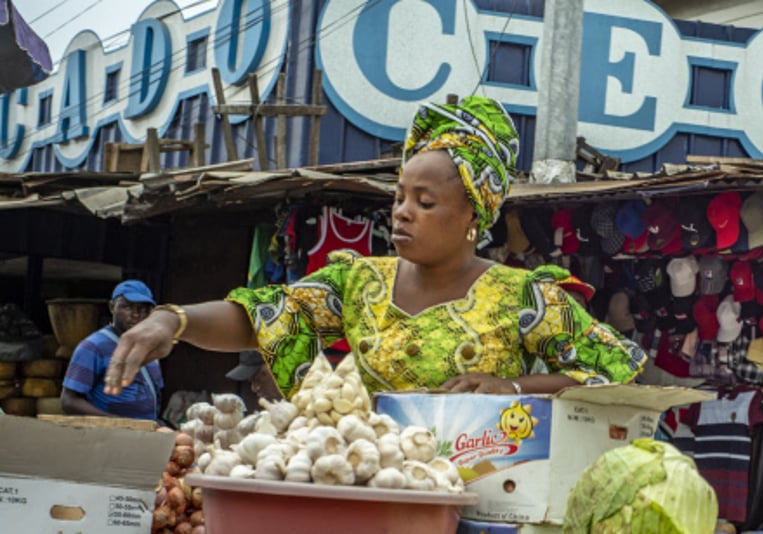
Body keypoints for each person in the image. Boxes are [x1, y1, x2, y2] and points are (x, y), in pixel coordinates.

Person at [102, 97, 644, 399]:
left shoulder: (522, 297)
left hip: (488, 500)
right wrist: (173, 321)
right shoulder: (358, 281)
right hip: (373, 478)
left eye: (425, 202)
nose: (402, 211)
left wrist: (513, 386)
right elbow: (269, 315)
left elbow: (615, 369)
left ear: (471, 217)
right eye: (401, 196)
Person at [62, 280, 164, 420]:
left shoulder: (149, 346)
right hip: (111, 435)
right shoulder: (93, 347)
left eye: (143, 309)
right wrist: (115, 423)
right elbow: (69, 401)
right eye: (127, 307)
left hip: (146, 433)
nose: (135, 315)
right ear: (112, 307)